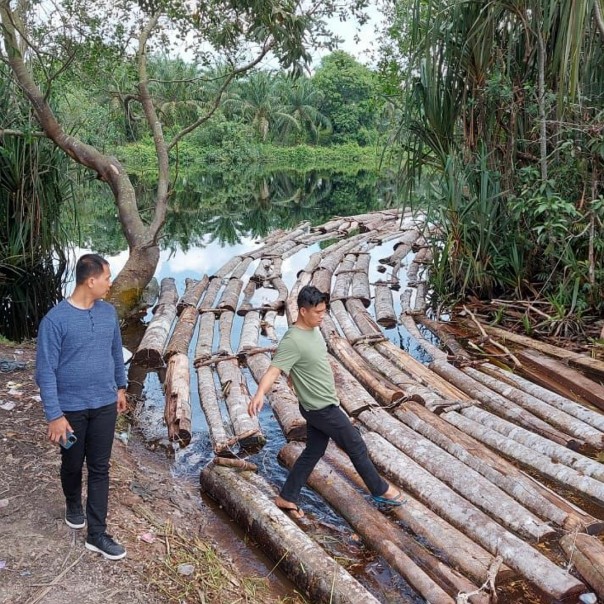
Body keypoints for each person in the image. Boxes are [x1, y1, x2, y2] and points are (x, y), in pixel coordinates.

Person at [248, 285, 403, 518]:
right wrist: (259, 394)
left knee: (313, 451)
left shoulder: (313, 329)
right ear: (302, 311)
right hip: (321, 408)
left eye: (324, 311)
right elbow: (273, 370)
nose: (322, 316)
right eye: (317, 312)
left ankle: (286, 497)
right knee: (356, 445)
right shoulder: (293, 340)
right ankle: (380, 490)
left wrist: (298, 378)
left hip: (321, 404)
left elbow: (307, 363)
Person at [36, 254, 128, 560]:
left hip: (103, 405)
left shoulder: (108, 313)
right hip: (70, 411)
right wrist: (54, 416)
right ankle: (73, 502)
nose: (110, 283)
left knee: (100, 468)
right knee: (72, 464)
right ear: (91, 281)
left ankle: (97, 534)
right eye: (107, 278)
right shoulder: (55, 320)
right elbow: (45, 371)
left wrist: (120, 386)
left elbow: (116, 351)